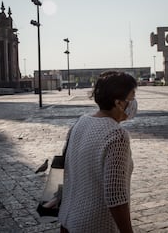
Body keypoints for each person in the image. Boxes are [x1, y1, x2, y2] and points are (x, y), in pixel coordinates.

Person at [58, 71, 138, 233]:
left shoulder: (80, 122)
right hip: (96, 225)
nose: (135, 102)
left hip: (68, 220)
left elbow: (65, 170)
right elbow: (116, 195)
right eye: (132, 96)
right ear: (119, 103)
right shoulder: (116, 135)